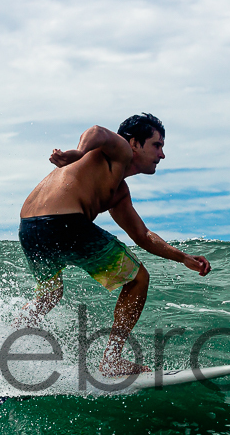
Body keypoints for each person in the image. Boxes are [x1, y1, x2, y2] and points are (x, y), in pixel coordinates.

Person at [15, 113, 211, 375]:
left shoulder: (118, 191)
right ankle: (112, 359)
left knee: (50, 294)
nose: (162, 155)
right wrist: (79, 152)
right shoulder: (121, 151)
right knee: (138, 278)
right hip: (64, 223)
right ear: (134, 143)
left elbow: (142, 235)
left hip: (29, 229)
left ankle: (8, 336)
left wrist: (183, 257)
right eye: (157, 145)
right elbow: (97, 131)